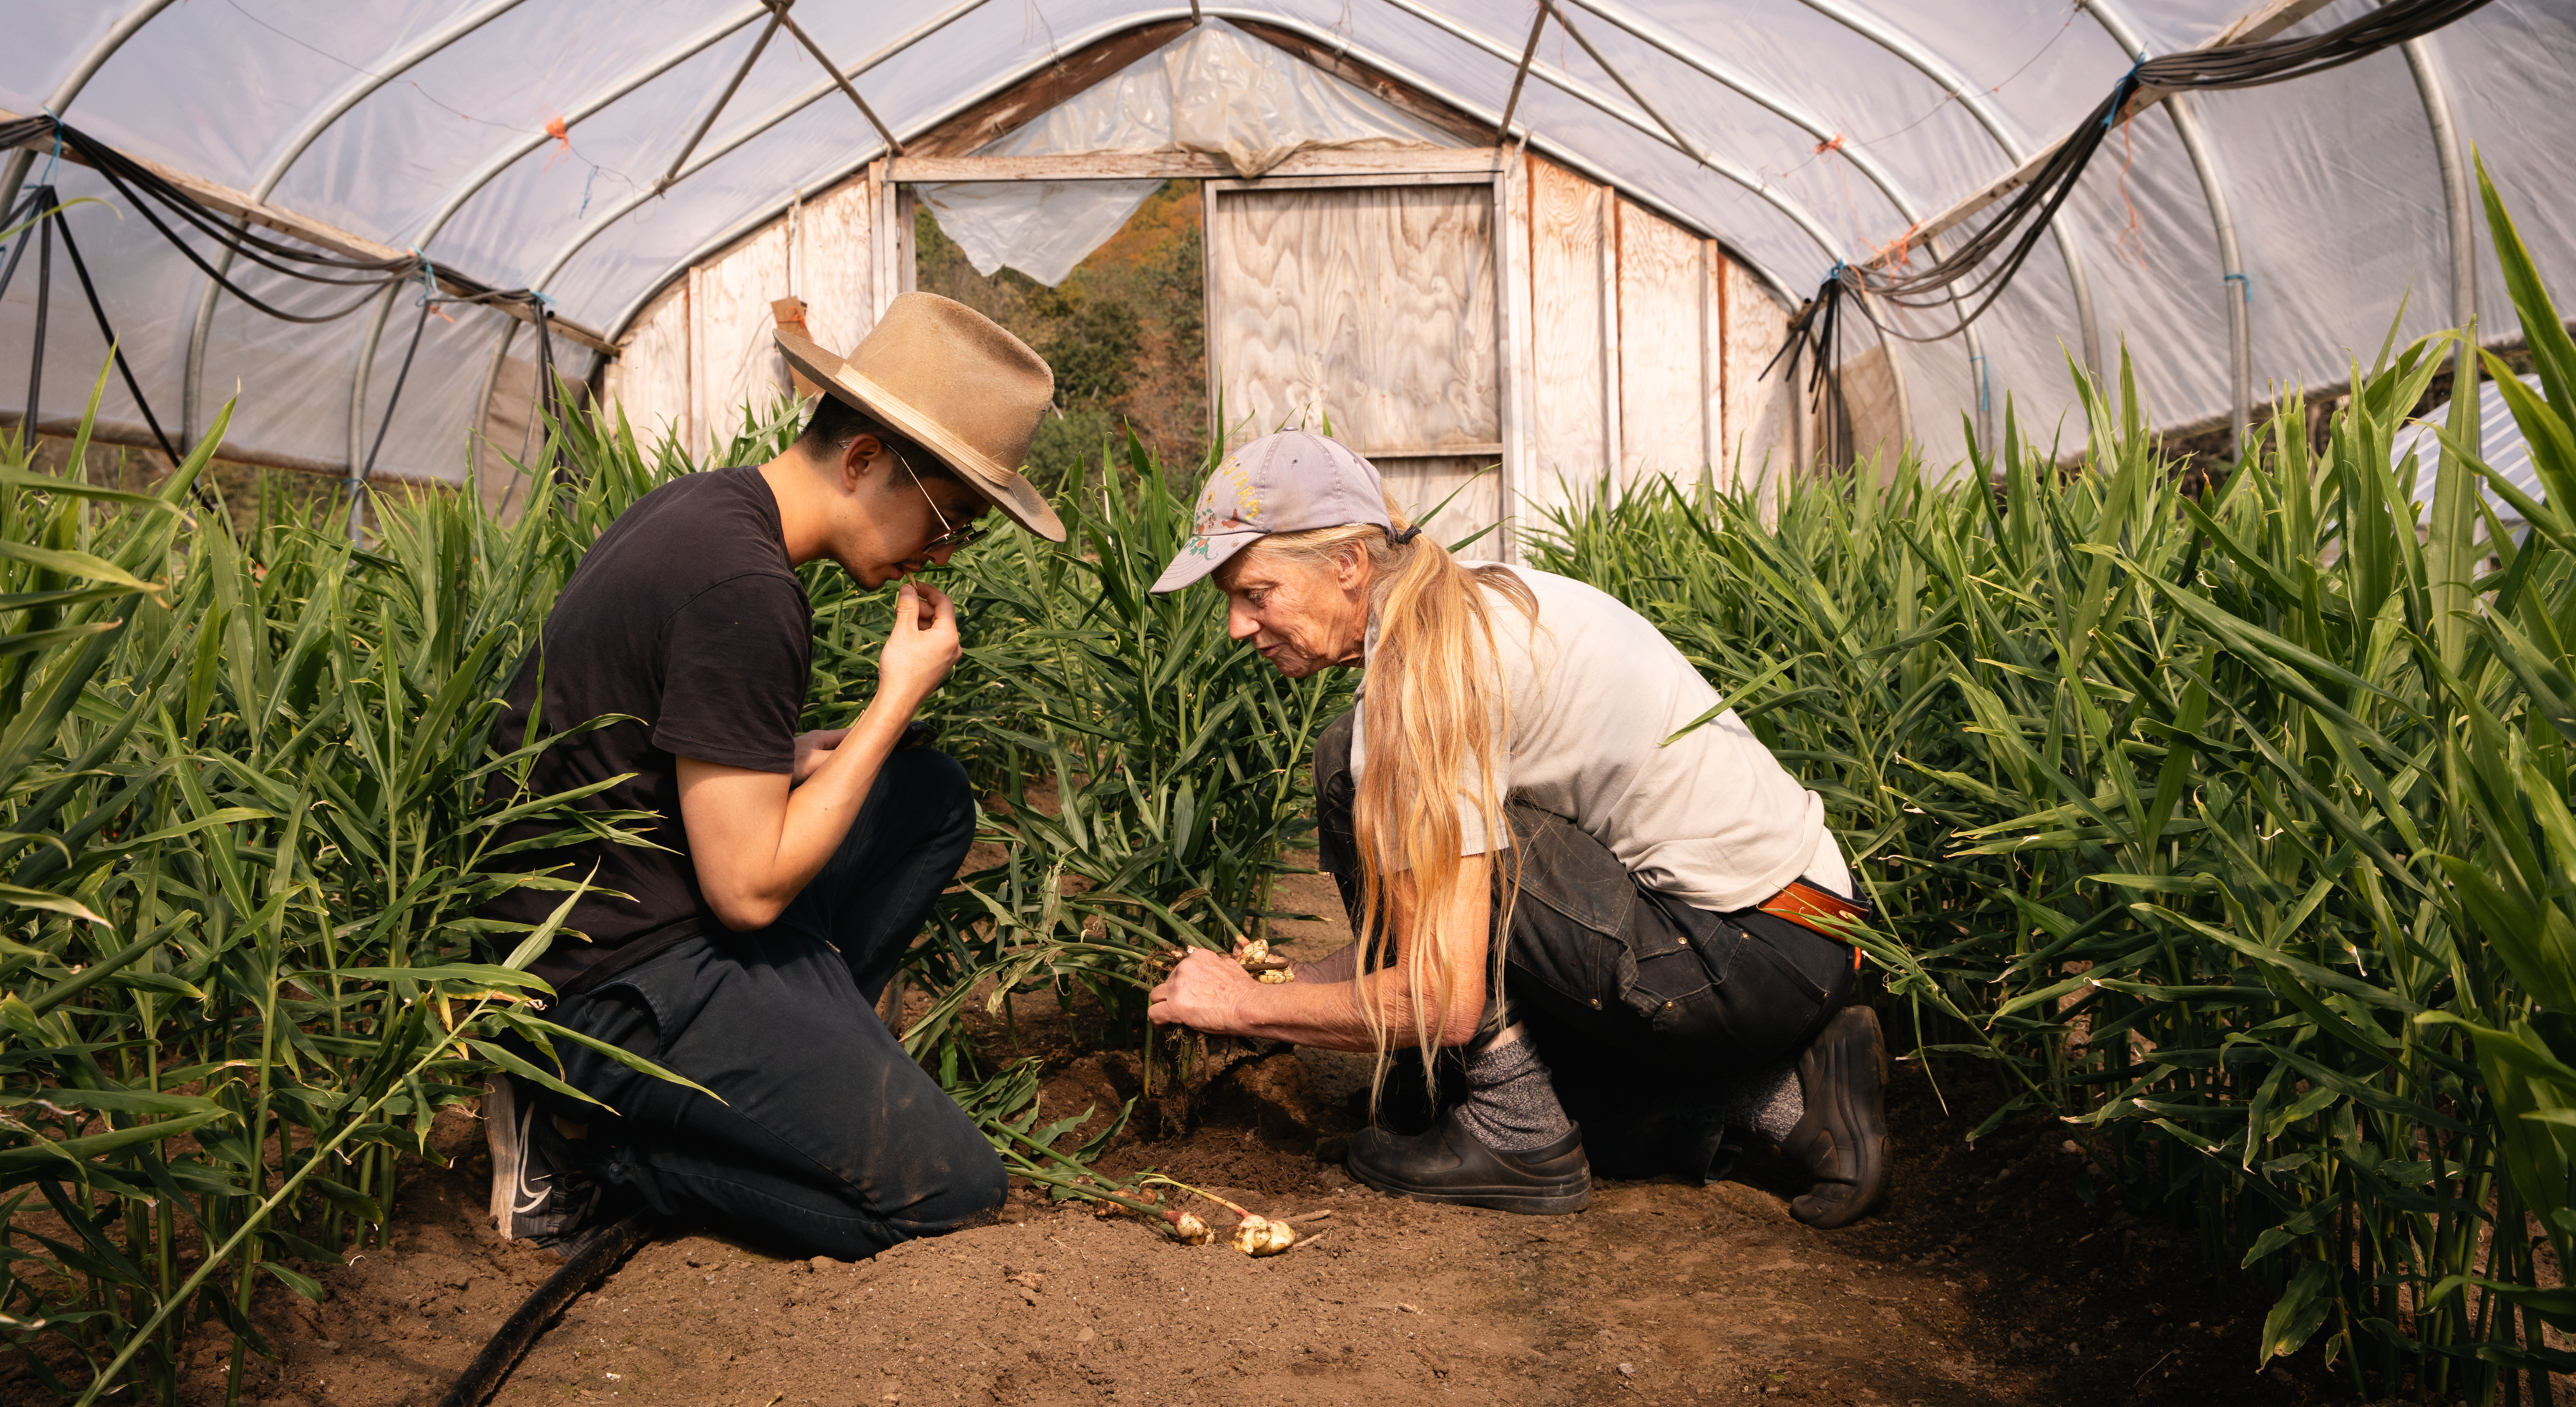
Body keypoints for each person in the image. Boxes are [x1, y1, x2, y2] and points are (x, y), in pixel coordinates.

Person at [1143, 430, 1890, 1225]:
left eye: (1255, 593)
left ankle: (1519, 1131)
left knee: (1420, 883)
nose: (1236, 626)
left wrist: (1240, 1009)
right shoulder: (1468, 599)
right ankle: (1785, 1094)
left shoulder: (1421, 684)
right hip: (1816, 921)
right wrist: (1288, 985)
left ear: (1346, 565)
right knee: (1351, 768)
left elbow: (1441, 999)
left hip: (1749, 954)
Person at [480, 293, 1065, 1258]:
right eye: (948, 517)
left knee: (924, 798)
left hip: (606, 905)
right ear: (865, 459)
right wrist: (892, 702)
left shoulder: (708, 509)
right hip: (609, 979)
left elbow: (635, 739)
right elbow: (748, 892)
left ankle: (783, 1061)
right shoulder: (746, 589)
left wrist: (788, 755)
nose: (944, 550)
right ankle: (598, 1146)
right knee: (952, 1189)